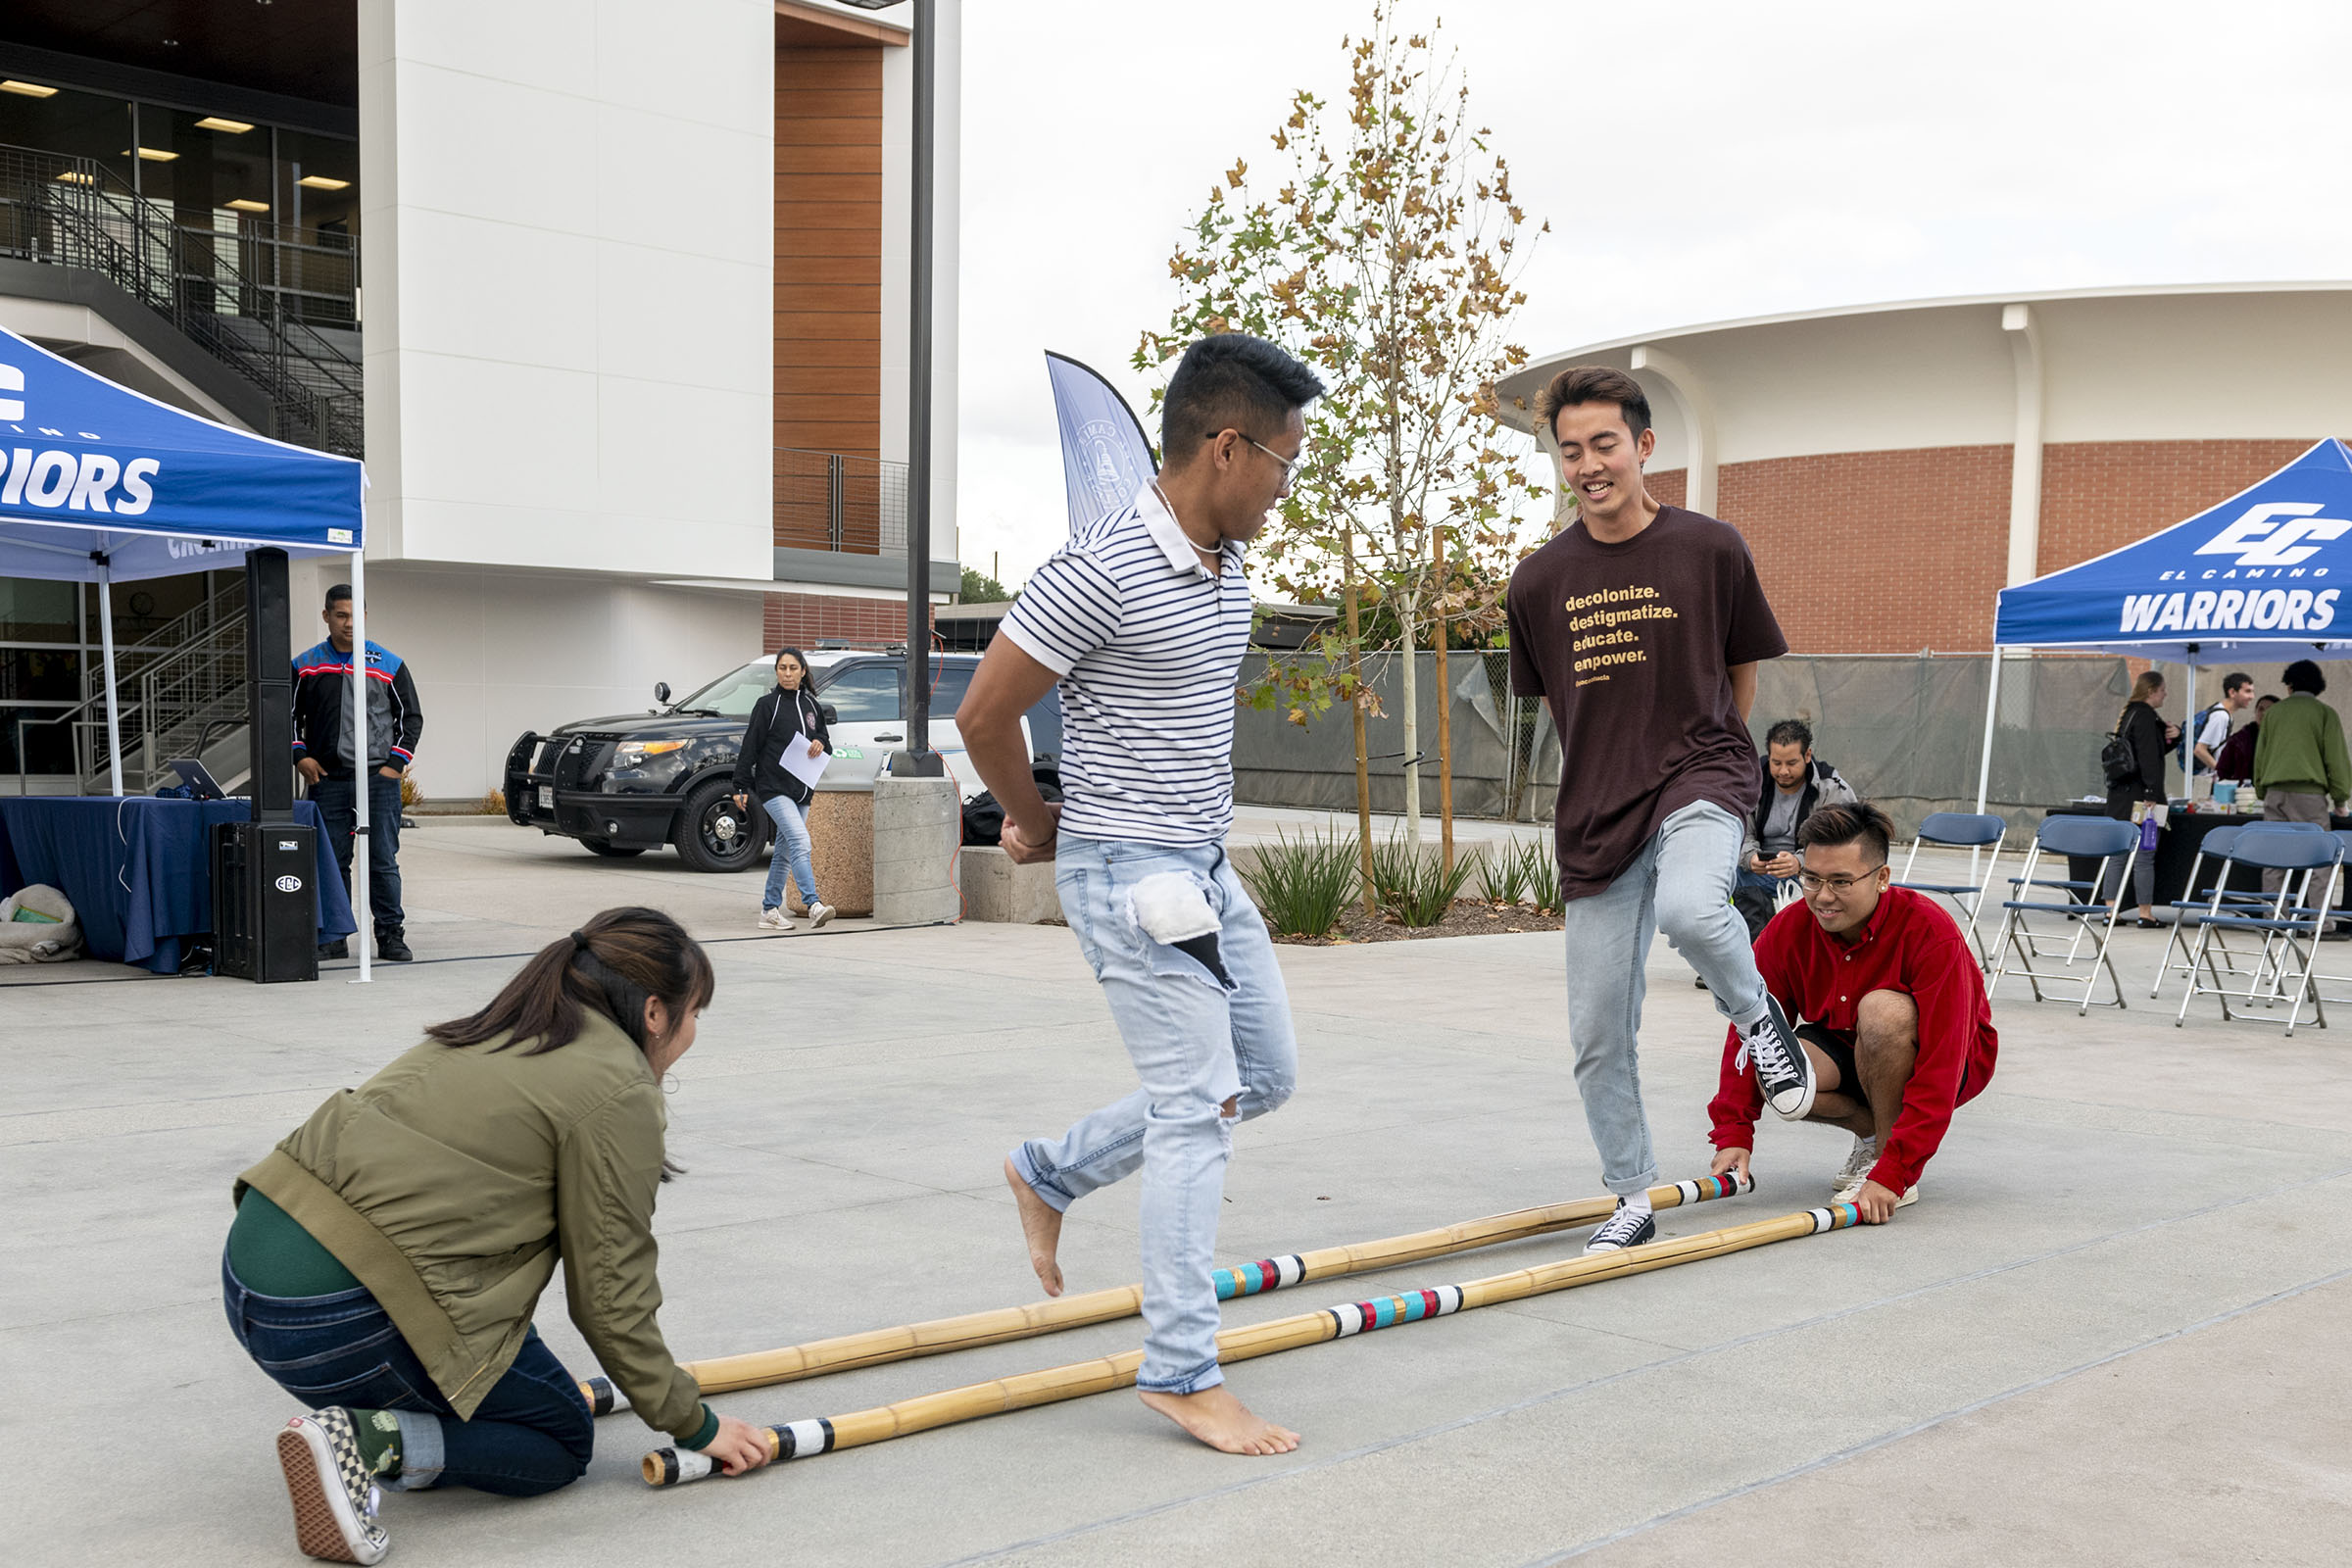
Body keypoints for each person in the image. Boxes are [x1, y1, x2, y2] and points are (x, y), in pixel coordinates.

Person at [956, 332, 1318, 1457]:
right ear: (1225, 446)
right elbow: (983, 713)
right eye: (1284, 461)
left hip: (1202, 866)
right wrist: (1036, 813)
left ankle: (1049, 1169)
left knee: (1263, 1074)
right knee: (1198, 1104)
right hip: (1128, 872)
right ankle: (1179, 1368)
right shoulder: (1102, 566)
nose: (1285, 485)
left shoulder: (1228, 565)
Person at [222, 907, 769, 1564]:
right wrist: (695, 1423)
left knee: (521, 1374)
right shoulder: (615, 1086)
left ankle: (396, 1431)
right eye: (695, 1013)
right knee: (560, 1436)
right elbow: (609, 1296)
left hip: (252, 1277)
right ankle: (368, 1442)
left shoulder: (508, 1026)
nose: (692, 1033)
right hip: (340, 1321)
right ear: (655, 1012)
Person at [1503, 364, 1807, 1257]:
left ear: (1642, 446)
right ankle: (1630, 1195)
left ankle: (1758, 1015)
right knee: (1598, 1031)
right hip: (1598, 808)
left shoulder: (1710, 549)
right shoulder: (1537, 581)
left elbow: (1741, 669)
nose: (1590, 464)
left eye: (1605, 444)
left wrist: (1715, 752)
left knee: (1690, 907)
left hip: (1702, 774)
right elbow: (1562, 705)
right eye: (1571, 451)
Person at [1707, 803, 1997, 1221]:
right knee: (1781, 1073)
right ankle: (1872, 1136)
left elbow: (1943, 1061)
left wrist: (1894, 1172)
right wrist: (1734, 1133)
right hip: (1846, 1043)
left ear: (1881, 879)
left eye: (1841, 881)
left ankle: (1885, 1155)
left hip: (1946, 1058)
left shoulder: (1929, 932)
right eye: (1812, 878)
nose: (1823, 896)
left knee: (1881, 1012)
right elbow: (1751, 1033)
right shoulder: (1788, 930)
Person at [293, 584, 423, 962]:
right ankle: (333, 937)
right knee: (332, 861)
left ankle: (390, 936)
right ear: (326, 617)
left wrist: (394, 766)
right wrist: (300, 756)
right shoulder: (306, 665)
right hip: (327, 780)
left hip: (378, 780)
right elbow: (284, 715)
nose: (349, 623)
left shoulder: (388, 663)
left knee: (383, 860)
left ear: (365, 616)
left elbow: (411, 718)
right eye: (341, 615)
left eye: (355, 615)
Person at [731, 646, 836, 932]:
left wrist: (820, 743)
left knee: (786, 851)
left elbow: (824, 738)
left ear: (803, 671)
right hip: (773, 787)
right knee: (801, 842)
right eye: (782, 668)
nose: (787, 673)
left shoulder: (812, 704)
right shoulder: (767, 705)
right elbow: (750, 746)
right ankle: (814, 904)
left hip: (802, 789)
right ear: (776, 672)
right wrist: (740, 785)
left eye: (792, 668)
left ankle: (769, 910)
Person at [1734, 718, 1856, 942]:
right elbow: (1737, 831)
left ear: (1807, 756)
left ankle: (1755, 954)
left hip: (1810, 875)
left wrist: (1800, 862)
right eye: (1776, 763)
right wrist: (1750, 858)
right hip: (1757, 872)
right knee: (1721, 877)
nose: (1783, 771)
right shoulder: (1751, 782)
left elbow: (1843, 844)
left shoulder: (1832, 790)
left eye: (1791, 763)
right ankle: (1736, 956)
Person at [2253, 659, 2352, 898]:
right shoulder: (2325, 713)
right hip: (2309, 796)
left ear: (2289, 686)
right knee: (2319, 858)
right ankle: (2320, 924)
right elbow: (2336, 759)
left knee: (2274, 858)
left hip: (2274, 793)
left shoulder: (2274, 713)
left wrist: (2261, 791)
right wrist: (2340, 799)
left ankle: (2273, 920)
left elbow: (2260, 757)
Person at [2099, 670, 2174, 927]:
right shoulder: (2145, 715)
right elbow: (2149, 756)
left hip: (2120, 796)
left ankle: (2111, 909)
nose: (2165, 694)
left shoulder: (2129, 713)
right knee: (2144, 855)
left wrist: (2174, 738)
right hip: (2142, 799)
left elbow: (2143, 750)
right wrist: (2152, 793)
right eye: (2163, 690)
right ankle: (2145, 912)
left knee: (2118, 854)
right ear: (2152, 690)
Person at [2188, 671, 2255, 775]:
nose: (2252, 696)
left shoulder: (2222, 713)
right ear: (2232, 692)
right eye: (2247, 691)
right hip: (2207, 780)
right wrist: (2223, 771)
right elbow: (2199, 750)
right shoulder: (2220, 717)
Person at [2213, 693, 2277, 781]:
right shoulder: (2239, 740)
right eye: (2260, 709)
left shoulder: (2283, 739)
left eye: (2270, 709)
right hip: (2244, 791)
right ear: (2255, 711)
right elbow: (2223, 770)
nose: (2264, 713)